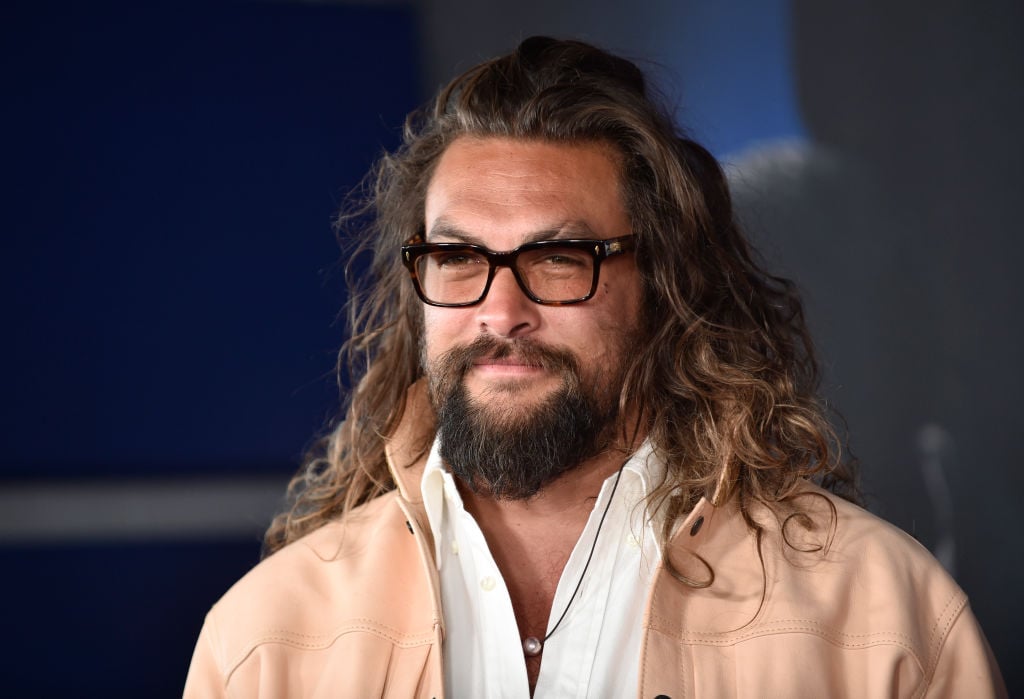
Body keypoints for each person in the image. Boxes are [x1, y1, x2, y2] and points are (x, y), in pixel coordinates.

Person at [184, 37, 1005, 698]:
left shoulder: (886, 620)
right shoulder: (265, 641)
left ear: (664, 286)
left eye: (559, 257)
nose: (500, 312)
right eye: (459, 257)